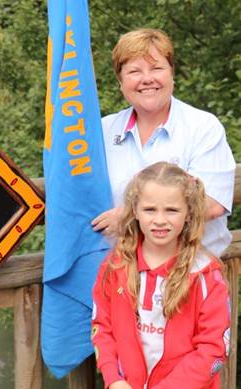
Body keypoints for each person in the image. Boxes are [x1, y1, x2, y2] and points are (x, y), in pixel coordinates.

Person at [91, 28, 235, 257]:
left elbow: (213, 203)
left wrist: (128, 216)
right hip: (120, 276)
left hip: (190, 273)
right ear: (120, 81)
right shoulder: (101, 131)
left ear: (171, 74)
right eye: (134, 71)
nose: (147, 79)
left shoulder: (202, 126)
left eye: (157, 68)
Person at [91, 162, 230, 389]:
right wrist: (114, 379)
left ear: (189, 213)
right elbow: (101, 327)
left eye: (172, 210)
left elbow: (213, 348)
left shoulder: (206, 274)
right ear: (134, 210)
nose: (160, 220)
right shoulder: (115, 266)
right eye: (149, 209)